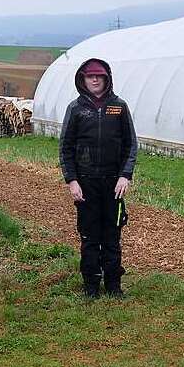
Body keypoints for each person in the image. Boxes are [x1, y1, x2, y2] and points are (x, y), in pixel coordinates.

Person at [59, 58, 138, 298]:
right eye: (90, 76)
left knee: (112, 235)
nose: (95, 79)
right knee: (89, 235)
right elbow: (66, 148)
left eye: (99, 76)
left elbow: (130, 145)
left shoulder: (119, 107)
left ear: (107, 78)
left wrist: (125, 175)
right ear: (82, 79)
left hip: (114, 184)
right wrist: (72, 180)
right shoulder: (76, 109)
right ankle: (91, 285)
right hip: (85, 184)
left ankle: (114, 284)